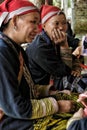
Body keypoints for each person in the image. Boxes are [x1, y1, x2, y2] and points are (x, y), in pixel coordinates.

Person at [0, 0, 76, 130]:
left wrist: (48, 91)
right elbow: (15, 107)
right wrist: (57, 106)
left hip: (23, 107)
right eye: (33, 22)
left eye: (38, 23)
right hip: (9, 120)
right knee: (75, 123)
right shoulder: (3, 52)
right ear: (15, 21)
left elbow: (25, 87)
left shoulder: (16, 49)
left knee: (76, 100)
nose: (37, 28)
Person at [26, 5, 87, 93]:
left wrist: (76, 66)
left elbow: (75, 42)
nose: (62, 27)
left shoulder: (57, 36)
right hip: (46, 85)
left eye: (64, 23)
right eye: (56, 23)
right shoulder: (40, 47)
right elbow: (63, 71)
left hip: (61, 74)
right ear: (44, 26)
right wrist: (64, 45)